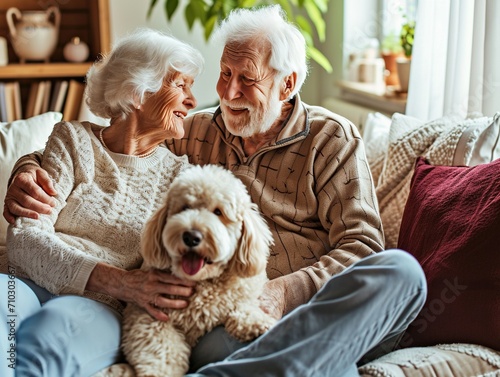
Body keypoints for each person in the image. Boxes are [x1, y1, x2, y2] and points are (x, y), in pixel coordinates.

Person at [3, 6, 427, 377]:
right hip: (217, 318)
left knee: (402, 274)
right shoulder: (194, 134)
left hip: (299, 308)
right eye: (225, 74)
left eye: (248, 79)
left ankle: (305, 350)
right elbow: (115, 143)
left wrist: (281, 293)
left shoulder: (331, 139)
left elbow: (362, 245)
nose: (227, 92)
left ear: (288, 84)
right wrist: (25, 169)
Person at [0, 28, 205, 377]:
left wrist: (121, 288)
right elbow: (24, 240)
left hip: (98, 305)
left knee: (46, 346)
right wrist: (121, 281)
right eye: (180, 85)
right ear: (137, 92)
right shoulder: (72, 139)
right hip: (21, 280)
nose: (192, 100)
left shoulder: (180, 179)